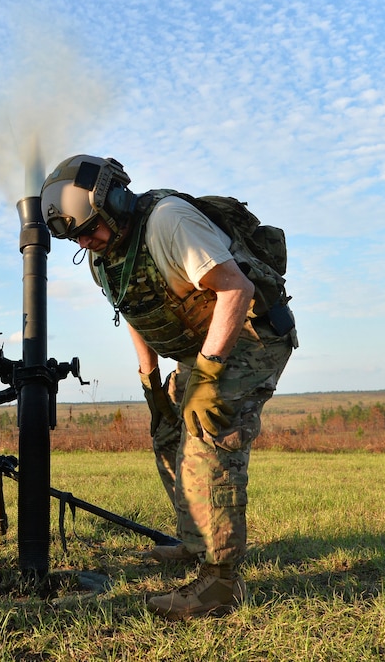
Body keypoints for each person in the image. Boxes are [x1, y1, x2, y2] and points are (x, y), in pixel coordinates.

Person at [39, 155, 296, 619]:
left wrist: (210, 376)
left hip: (252, 336)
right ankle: (195, 540)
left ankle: (220, 584)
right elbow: (135, 312)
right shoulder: (106, 255)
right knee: (166, 433)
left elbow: (235, 290)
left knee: (207, 434)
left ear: (116, 202)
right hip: (200, 347)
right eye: (74, 237)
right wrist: (152, 383)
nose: (84, 241)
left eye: (89, 228)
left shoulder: (167, 223)